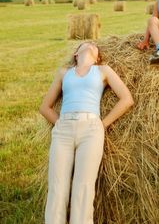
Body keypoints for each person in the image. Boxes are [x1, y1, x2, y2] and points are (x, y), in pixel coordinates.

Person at [39, 42, 134, 224]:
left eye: (95, 45)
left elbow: (126, 99)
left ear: (97, 57)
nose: (91, 44)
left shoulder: (102, 70)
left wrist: (101, 124)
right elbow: (45, 107)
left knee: (84, 188)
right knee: (57, 188)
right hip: (63, 131)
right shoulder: (64, 73)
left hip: (91, 131)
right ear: (76, 54)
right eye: (86, 43)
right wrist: (60, 124)